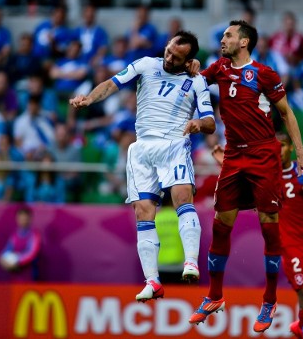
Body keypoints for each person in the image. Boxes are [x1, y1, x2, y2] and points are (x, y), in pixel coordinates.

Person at [188, 20, 303, 333]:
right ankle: (215, 295)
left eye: (228, 35)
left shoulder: (264, 74)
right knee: (221, 225)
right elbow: (194, 82)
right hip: (233, 154)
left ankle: (270, 299)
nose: (222, 39)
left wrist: (300, 154)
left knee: (269, 228)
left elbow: (286, 113)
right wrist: (191, 69)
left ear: (244, 42)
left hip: (262, 155)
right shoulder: (218, 67)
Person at [70, 30, 215, 301]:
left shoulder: (196, 81)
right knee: (143, 212)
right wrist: (89, 98)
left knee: (183, 197)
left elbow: (210, 122)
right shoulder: (146, 64)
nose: (168, 57)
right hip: (142, 148)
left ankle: (191, 262)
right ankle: (152, 281)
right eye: (169, 50)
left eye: (176, 56)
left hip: (174, 143)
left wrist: (197, 124)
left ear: (188, 61)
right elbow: (112, 84)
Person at [211, 132, 303, 338]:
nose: (279, 149)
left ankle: (301, 325)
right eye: (275, 146)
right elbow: (238, 182)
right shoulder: (265, 176)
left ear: (291, 148)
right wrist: (223, 162)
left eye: (283, 145)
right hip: (290, 247)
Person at [0, 206, 41, 281]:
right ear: (17, 219)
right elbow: (7, 249)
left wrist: (17, 261)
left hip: (30, 276)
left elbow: (31, 253)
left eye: (25, 219)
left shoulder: (34, 235)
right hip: (15, 275)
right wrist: (2, 258)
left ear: (30, 219)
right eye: (21, 218)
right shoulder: (14, 235)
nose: (23, 221)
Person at [13, 94, 55, 160]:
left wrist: (43, 149)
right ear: (28, 105)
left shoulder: (46, 119)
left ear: (39, 106)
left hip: (43, 153)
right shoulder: (20, 121)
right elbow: (17, 143)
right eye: (31, 104)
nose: (33, 107)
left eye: (35, 105)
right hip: (27, 154)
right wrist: (26, 152)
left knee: (47, 160)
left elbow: (51, 138)